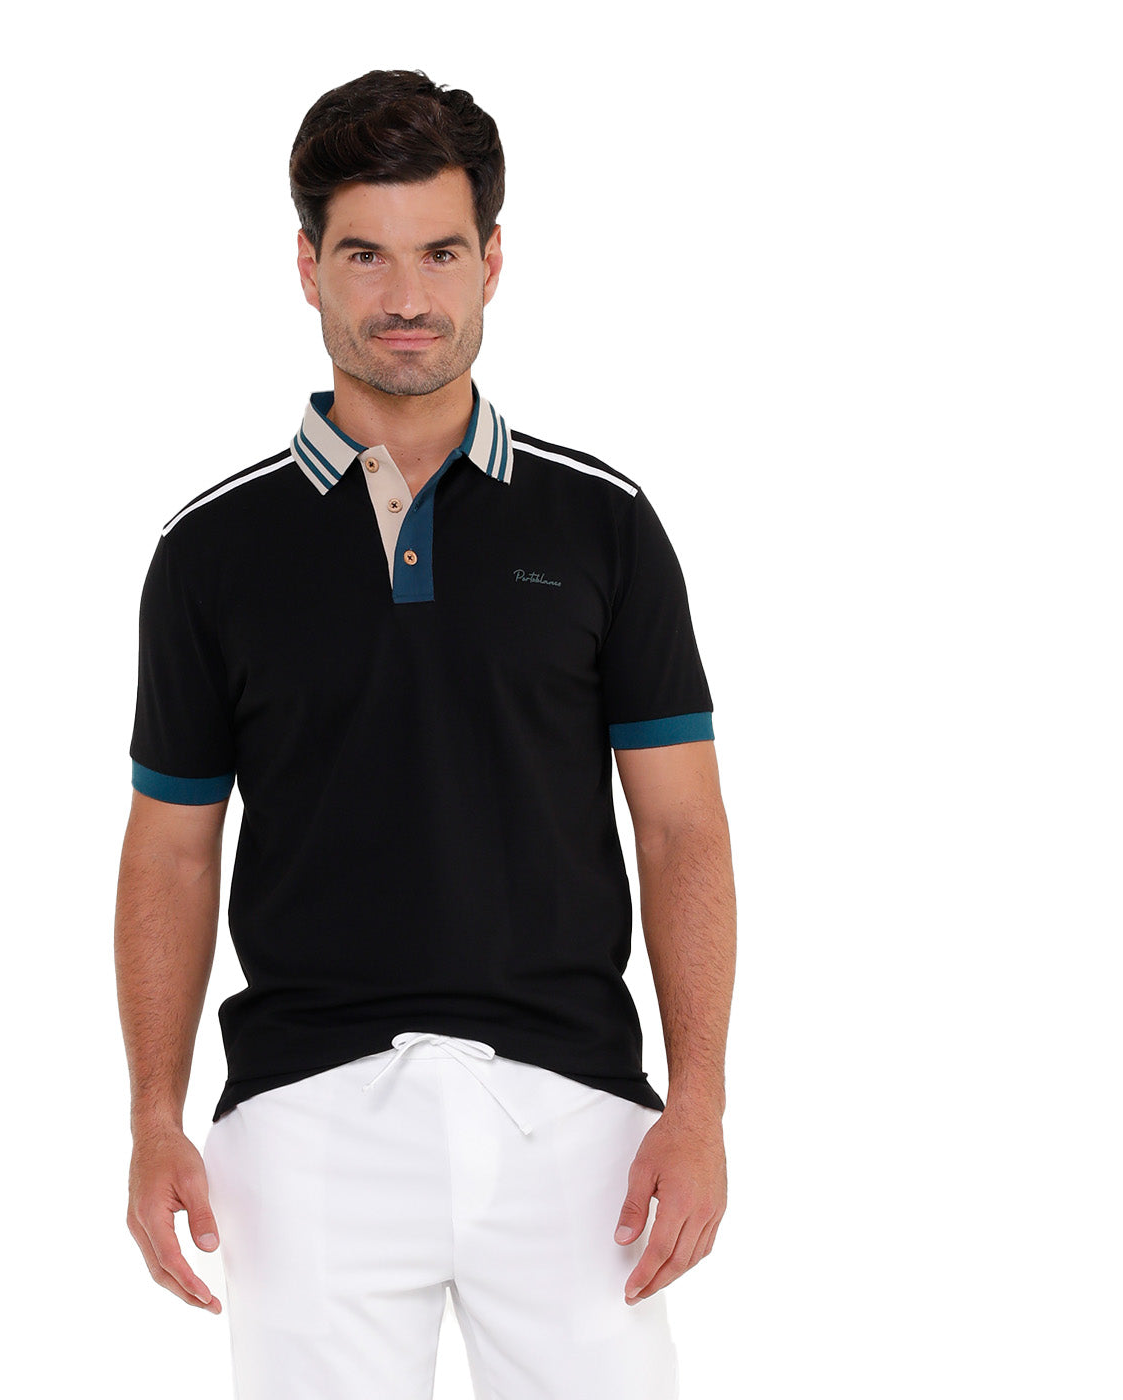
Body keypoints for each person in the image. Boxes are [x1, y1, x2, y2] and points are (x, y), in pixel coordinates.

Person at [114, 67, 736, 1399]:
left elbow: (682, 826)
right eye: (366, 255)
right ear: (307, 267)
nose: (407, 295)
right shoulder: (212, 552)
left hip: (574, 1115)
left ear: (493, 260)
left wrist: (699, 1104)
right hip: (305, 1117)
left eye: (440, 252)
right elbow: (171, 847)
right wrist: (153, 1118)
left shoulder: (603, 525)